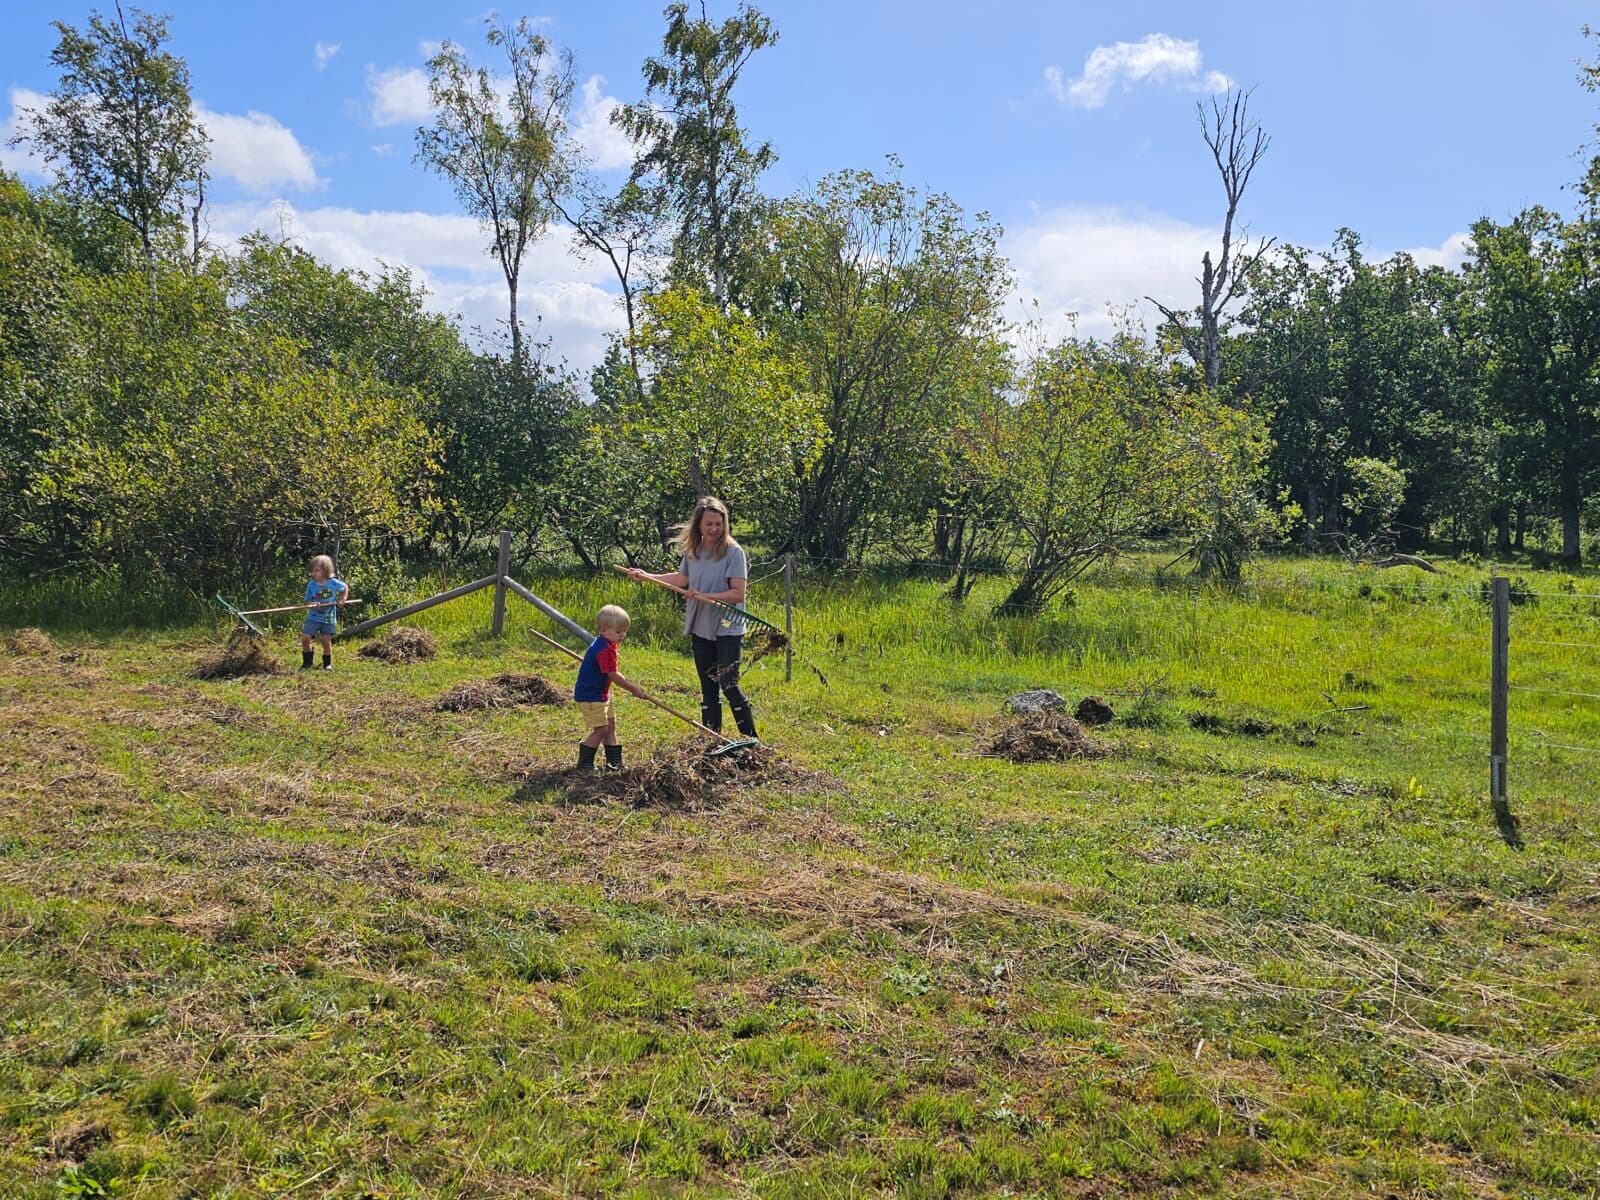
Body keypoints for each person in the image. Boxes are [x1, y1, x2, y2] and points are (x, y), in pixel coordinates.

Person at [626, 496, 758, 740]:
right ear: (699, 524)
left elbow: (737, 594)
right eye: (709, 524)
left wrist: (704, 596)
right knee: (708, 686)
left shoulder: (733, 552)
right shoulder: (693, 551)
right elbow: (681, 579)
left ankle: (751, 739)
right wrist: (647, 576)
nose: (714, 529)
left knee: (728, 683)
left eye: (718, 524)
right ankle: (711, 739)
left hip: (727, 626)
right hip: (701, 624)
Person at [573, 604, 645, 770]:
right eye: (618, 632)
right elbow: (613, 675)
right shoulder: (604, 650)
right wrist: (633, 688)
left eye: (624, 631)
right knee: (602, 729)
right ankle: (584, 764)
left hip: (601, 694)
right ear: (603, 630)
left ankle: (614, 763)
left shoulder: (606, 644)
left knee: (611, 726)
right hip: (591, 695)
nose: (622, 635)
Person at [300, 555, 348, 670]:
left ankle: (327, 664)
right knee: (305, 638)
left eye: (317, 570)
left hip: (328, 618)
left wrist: (343, 599)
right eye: (312, 571)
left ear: (326, 570)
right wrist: (312, 604)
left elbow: (345, 587)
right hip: (313, 618)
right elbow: (306, 602)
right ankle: (307, 662)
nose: (314, 573)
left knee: (326, 641)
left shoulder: (333, 583)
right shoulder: (311, 585)